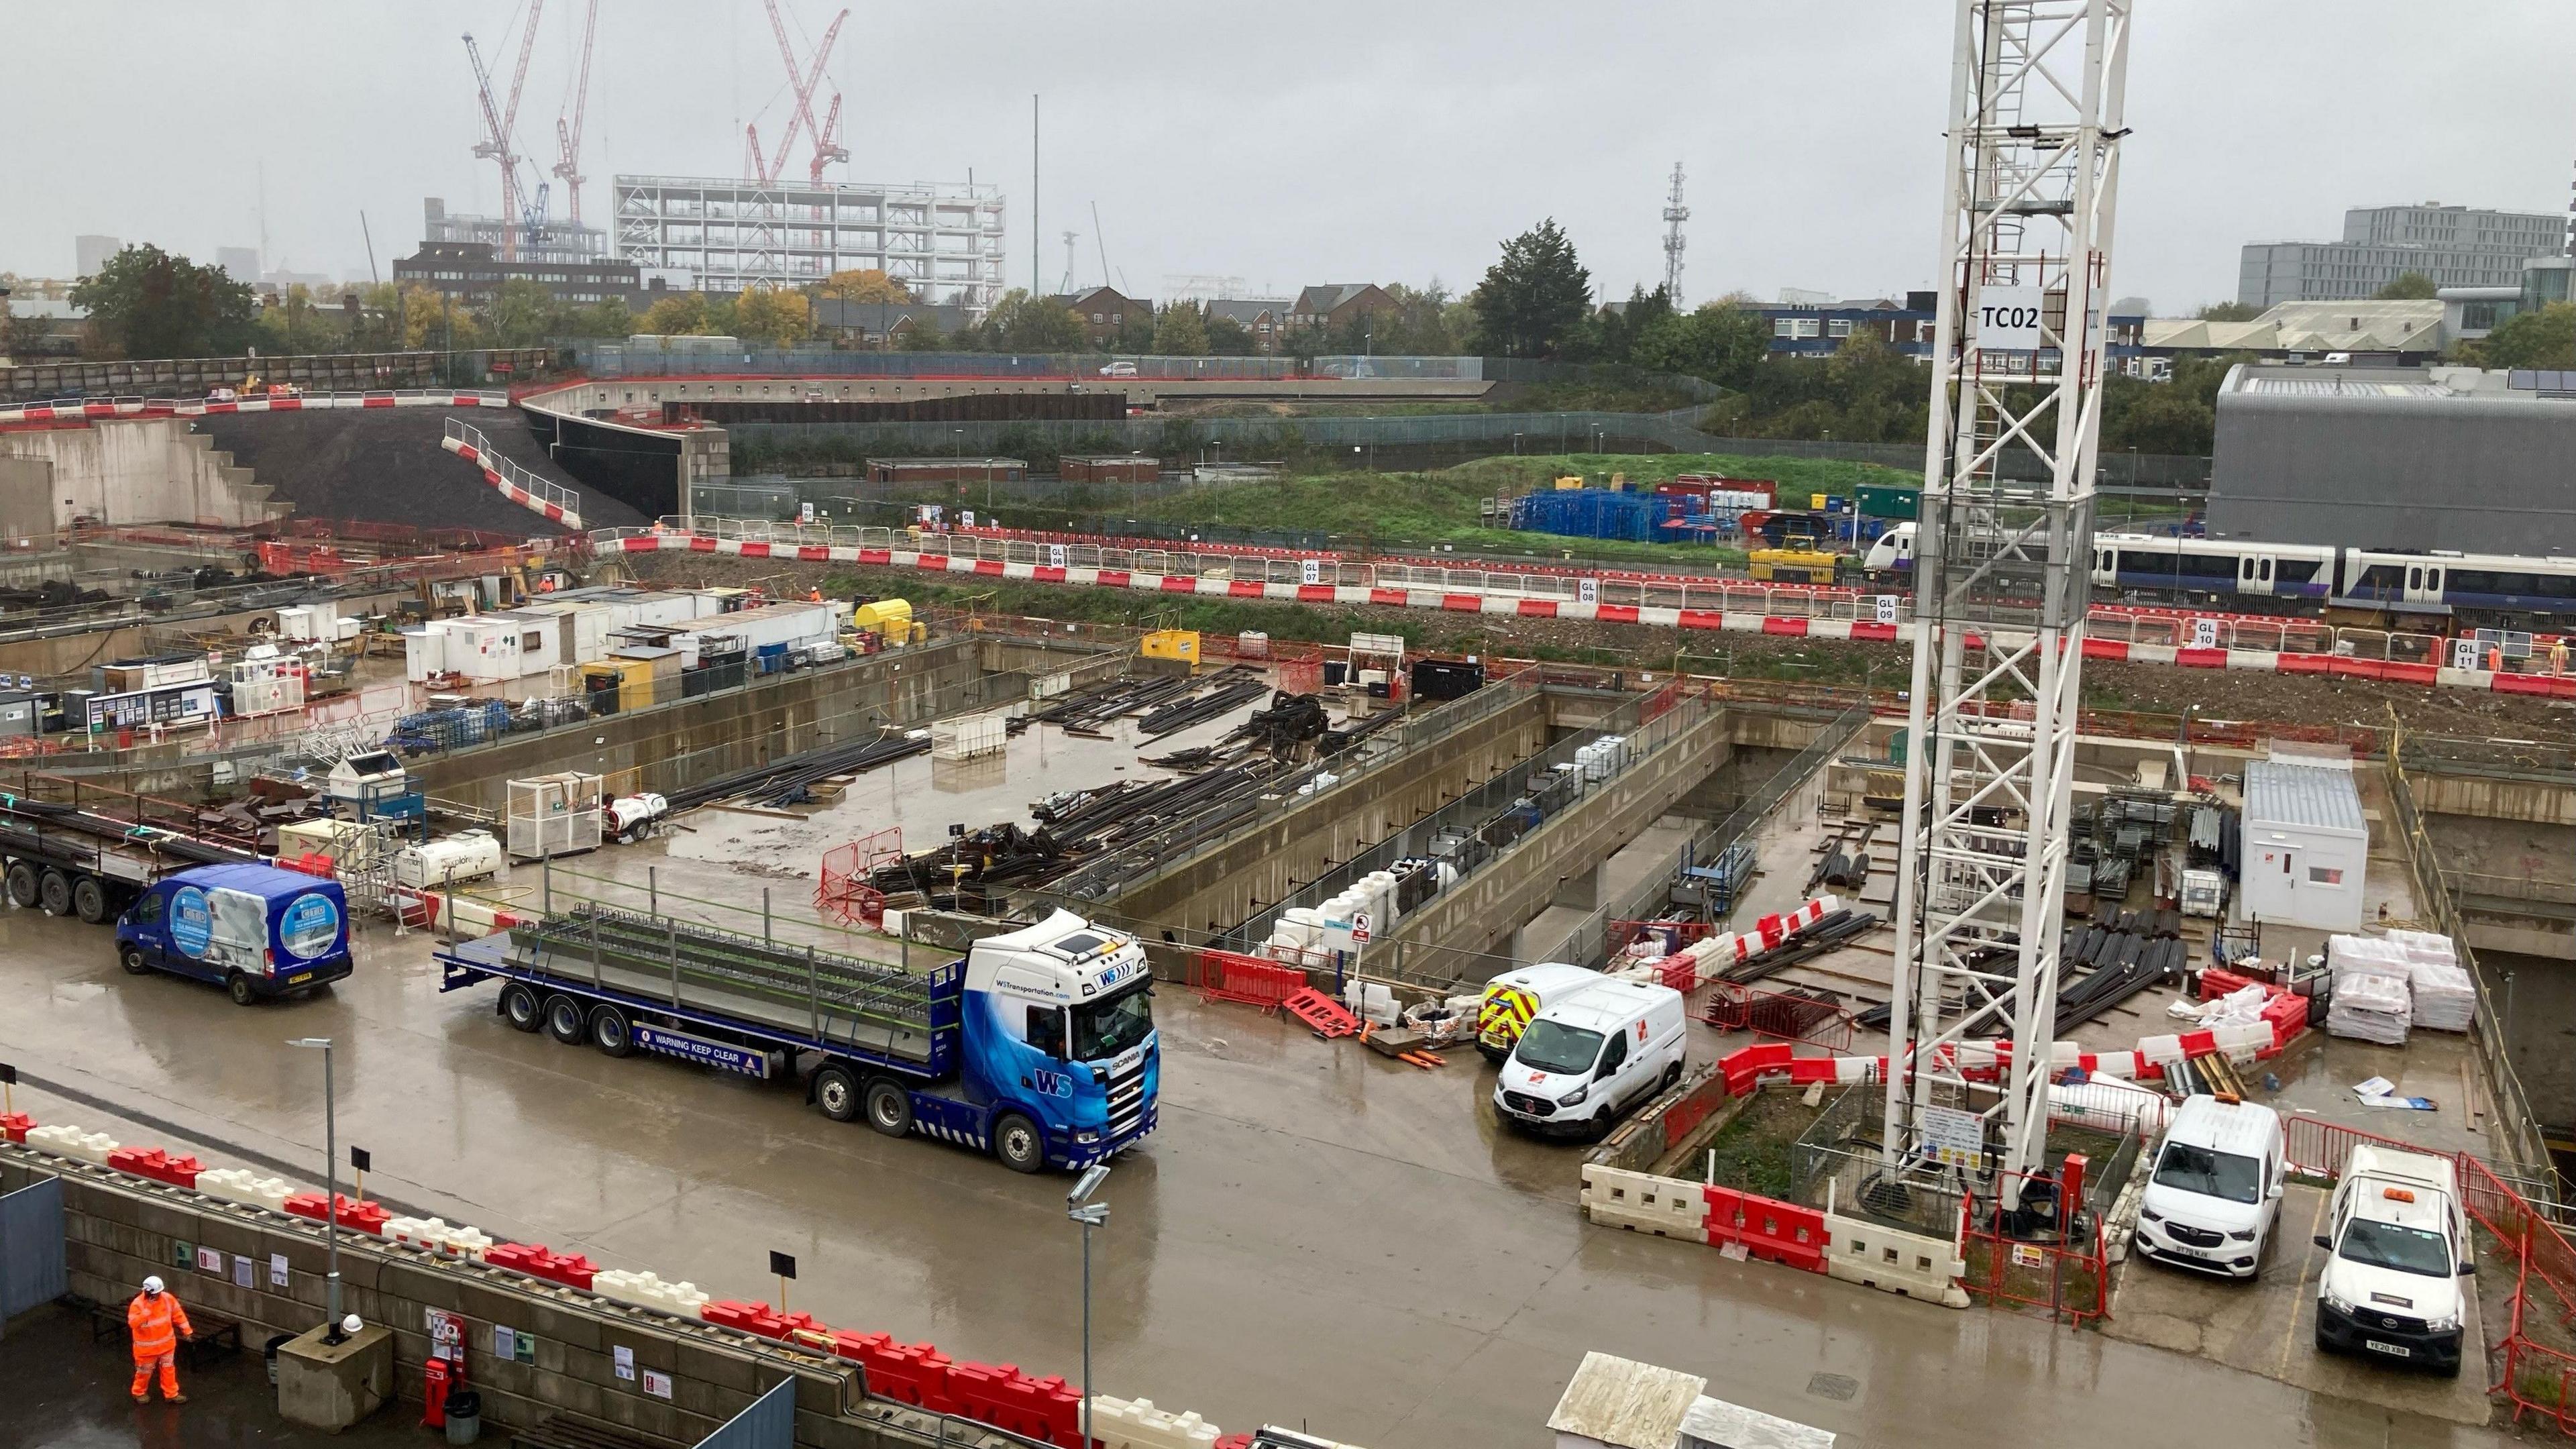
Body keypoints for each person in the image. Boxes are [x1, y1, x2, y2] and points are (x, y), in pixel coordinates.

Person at [127, 1275, 191, 1403]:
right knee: (144, 1373)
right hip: (147, 1350)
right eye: (156, 1293)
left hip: (166, 1346)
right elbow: (133, 1324)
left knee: (169, 1370)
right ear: (147, 1292)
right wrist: (146, 1312)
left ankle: (171, 1393)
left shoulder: (168, 1299)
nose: (158, 1296)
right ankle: (139, 1392)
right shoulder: (138, 1305)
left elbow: (178, 1314)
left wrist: (187, 1330)